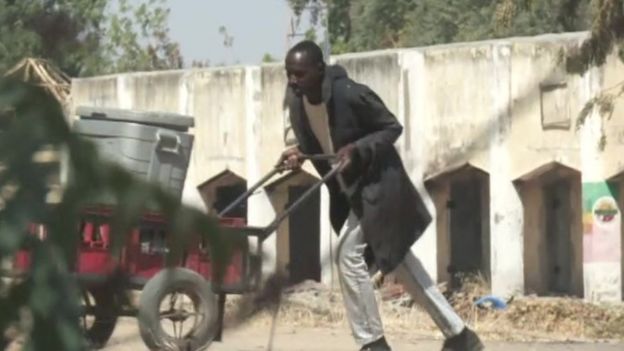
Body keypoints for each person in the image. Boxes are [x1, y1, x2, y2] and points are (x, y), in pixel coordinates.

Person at [277, 40, 485, 351]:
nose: (293, 80)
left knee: (347, 255)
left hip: (379, 188)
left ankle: (372, 343)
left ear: (319, 70)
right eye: (289, 74)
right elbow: (320, 142)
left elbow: (391, 127)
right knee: (400, 263)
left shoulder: (349, 93)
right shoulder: (297, 103)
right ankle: (460, 336)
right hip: (350, 194)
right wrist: (299, 154)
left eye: (300, 74)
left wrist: (359, 149)